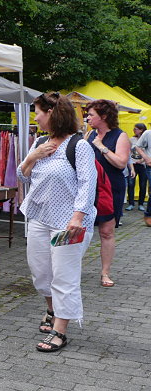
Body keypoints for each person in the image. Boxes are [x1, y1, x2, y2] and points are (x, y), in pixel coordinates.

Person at [18, 92, 96, 352]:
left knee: (64, 275)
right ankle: (51, 309)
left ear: (51, 112)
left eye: (38, 111)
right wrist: (33, 157)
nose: (36, 117)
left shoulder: (79, 145)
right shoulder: (40, 141)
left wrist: (78, 217)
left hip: (68, 222)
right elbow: (23, 175)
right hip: (39, 217)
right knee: (40, 273)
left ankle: (60, 330)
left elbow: (88, 183)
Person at [85, 99, 130, 288]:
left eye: (91, 115)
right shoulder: (88, 134)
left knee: (106, 232)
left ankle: (105, 273)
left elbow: (121, 163)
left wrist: (101, 146)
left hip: (111, 188)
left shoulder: (120, 136)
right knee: (80, 229)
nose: (87, 117)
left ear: (103, 116)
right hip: (89, 187)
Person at [127, 123, 147, 210]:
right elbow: (128, 151)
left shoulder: (146, 139)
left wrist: (142, 160)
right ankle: (131, 203)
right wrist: (131, 161)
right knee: (131, 184)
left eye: (136, 129)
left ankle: (141, 204)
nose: (134, 130)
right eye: (134, 128)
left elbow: (148, 151)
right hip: (133, 164)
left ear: (141, 130)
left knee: (143, 184)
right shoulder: (132, 139)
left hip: (143, 165)